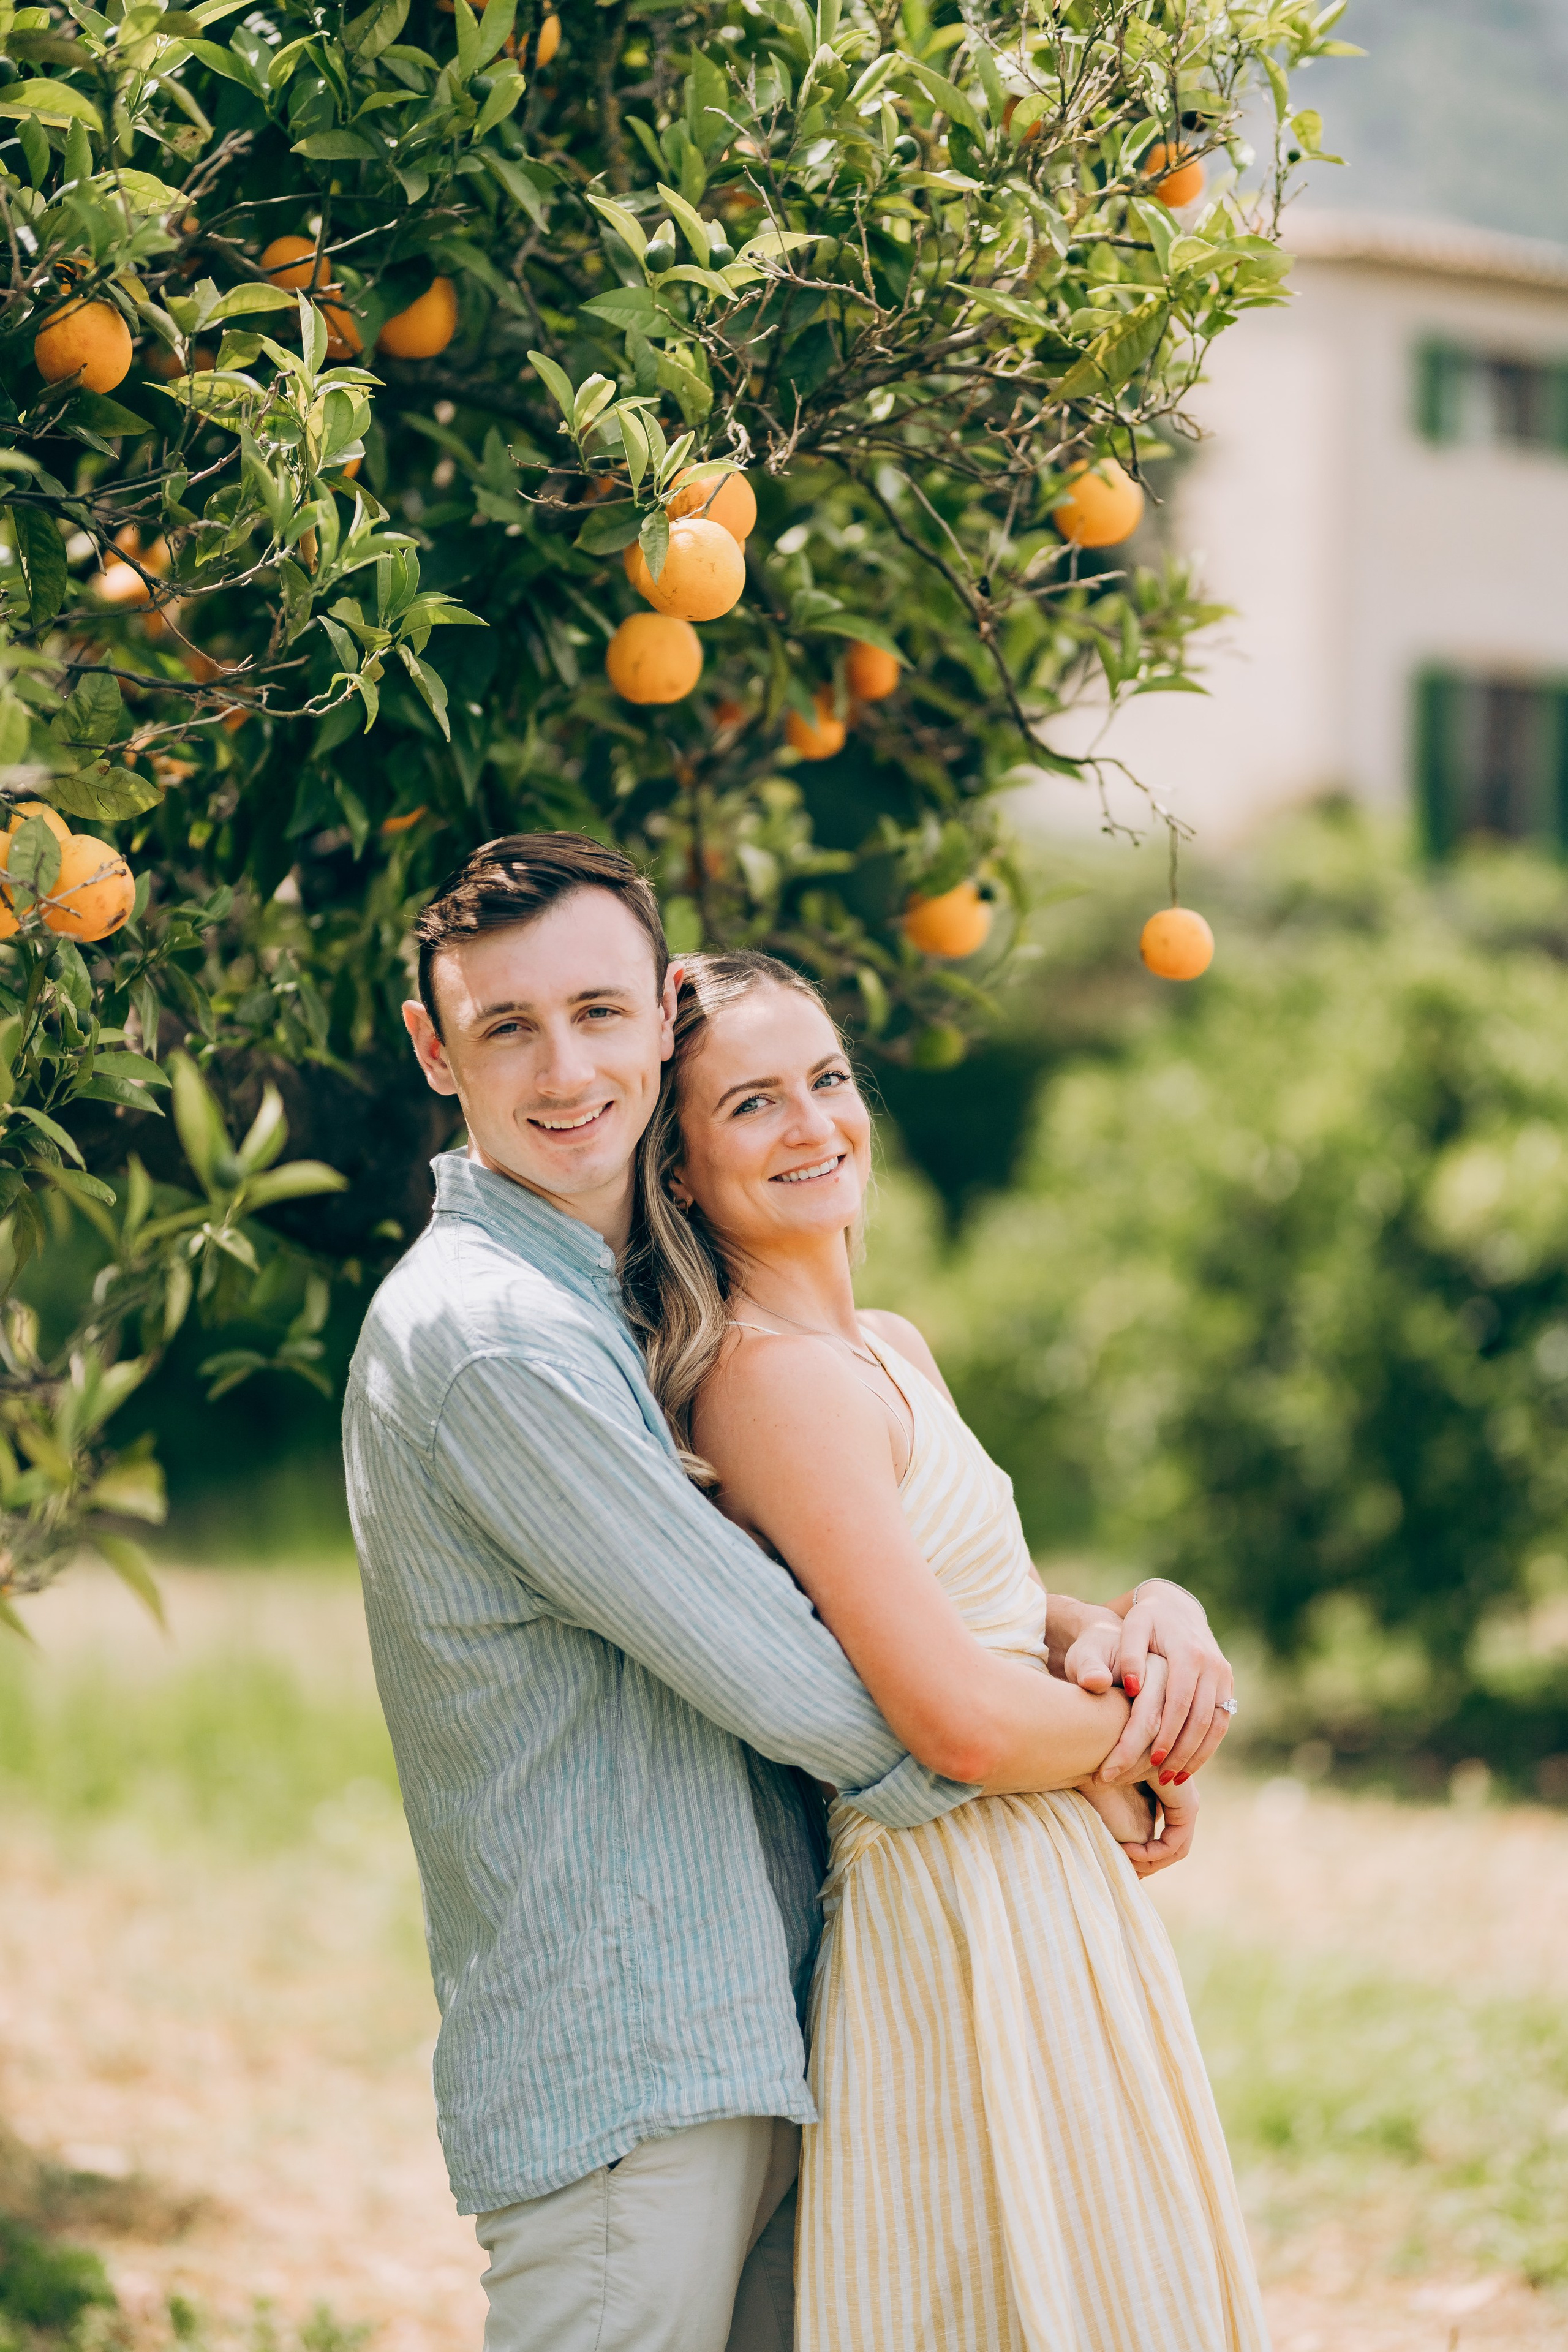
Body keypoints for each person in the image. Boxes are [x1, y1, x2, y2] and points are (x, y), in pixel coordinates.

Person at [342, 833, 1238, 2352]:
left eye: (600, 1013)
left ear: (658, 998)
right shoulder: (499, 1337)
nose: (566, 1070)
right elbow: (809, 1677)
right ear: (437, 1049)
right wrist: (1099, 1749)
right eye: (507, 1028)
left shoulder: (602, 1310)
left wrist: (1110, 1630)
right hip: (629, 2058)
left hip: (760, 2014)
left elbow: (858, 1594)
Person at [620, 947, 1267, 2352]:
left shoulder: (887, 1349)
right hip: (953, 1904)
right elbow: (956, 1722)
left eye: (827, 1079)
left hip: (1039, 1892)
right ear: (674, 1171)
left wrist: (1137, 1619)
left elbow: (974, 1604)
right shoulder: (762, 1380)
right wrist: (1127, 1752)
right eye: (749, 1106)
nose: (812, 1126)